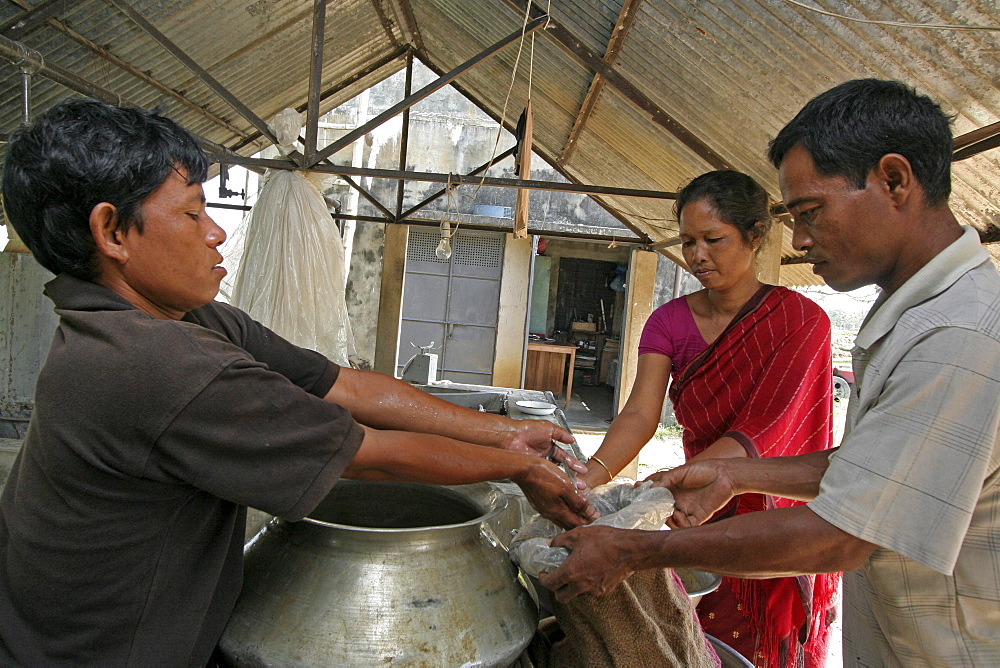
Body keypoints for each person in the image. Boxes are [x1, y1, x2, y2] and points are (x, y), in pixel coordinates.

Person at [0, 98, 598, 666]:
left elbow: (347, 386)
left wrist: (504, 434)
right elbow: (371, 457)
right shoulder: (154, 363)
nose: (216, 232)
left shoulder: (182, 317)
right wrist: (518, 468)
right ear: (112, 233)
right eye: (190, 212)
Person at [540, 78, 1000, 666]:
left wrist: (637, 548)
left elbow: (841, 533)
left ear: (893, 180)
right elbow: (872, 467)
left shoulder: (955, 334)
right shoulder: (917, 312)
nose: (801, 240)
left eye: (811, 212)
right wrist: (737, 478)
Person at [580, 169, 837, 667]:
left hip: (773, 514)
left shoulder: (802, 321)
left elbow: (766, 428)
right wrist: (588, 478)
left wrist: (664, 490)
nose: (697, 255)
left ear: (756, 235)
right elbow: (638, 412)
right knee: (692, 641)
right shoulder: (669, 321)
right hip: (695, 504)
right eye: (688, 241)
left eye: (713, 239)